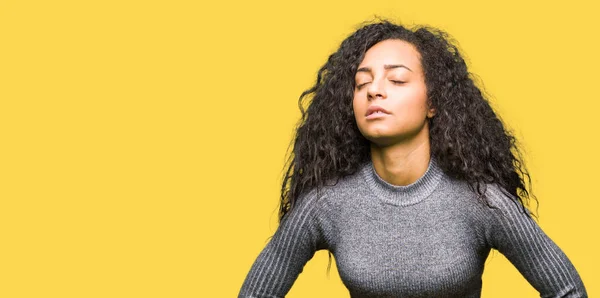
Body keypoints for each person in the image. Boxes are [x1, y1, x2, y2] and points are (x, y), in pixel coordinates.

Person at [238, 19, 587, 298]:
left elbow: (567, 290)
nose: (375, 90)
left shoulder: (481, 200)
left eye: (397, 79)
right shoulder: (326, 204)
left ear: (433, 103)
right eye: (362, 84)